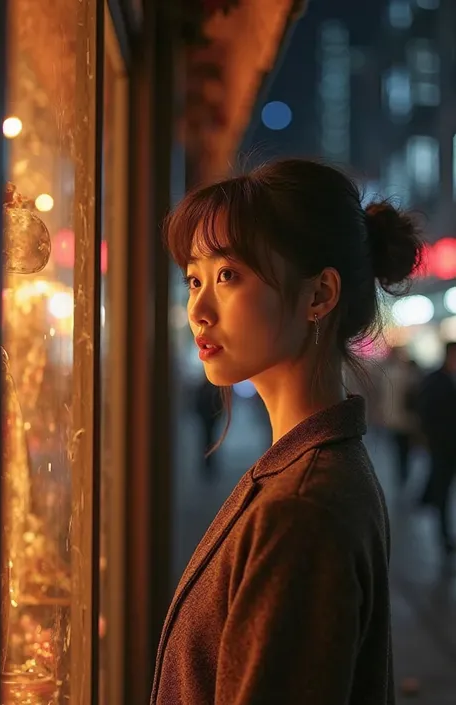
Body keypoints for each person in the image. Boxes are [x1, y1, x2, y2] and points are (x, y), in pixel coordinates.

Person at [151, 158, 423, 705]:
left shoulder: (300, 507)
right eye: (193, 279)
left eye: (229, 275)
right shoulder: (318, 467)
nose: (198, 309)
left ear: (320, 295)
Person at [418, 341, 456, 556]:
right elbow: (426, 413)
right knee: (442, 489)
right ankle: (443, 536)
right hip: (442, 446)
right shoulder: (435, 381)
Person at [380, 347, 422, 488]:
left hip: (392, 420)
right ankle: (403, 478)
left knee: (398, 453)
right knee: (404, 453)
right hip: (405, 421)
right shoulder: (407, 375)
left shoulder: (388, 374)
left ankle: (400, 479)